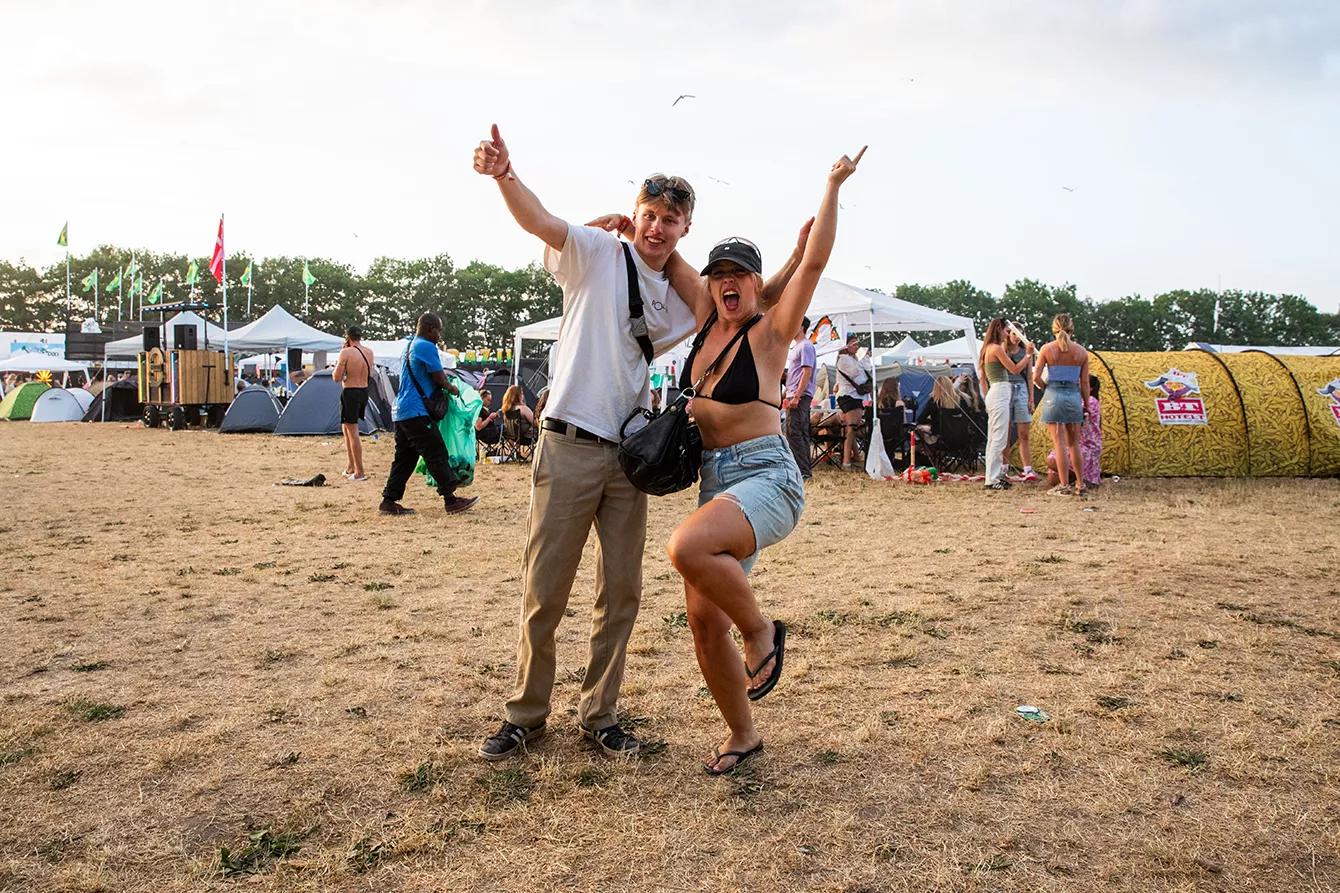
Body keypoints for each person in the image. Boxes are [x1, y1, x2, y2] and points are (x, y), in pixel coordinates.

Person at [472, 124, 810, 763]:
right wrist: (504, 175)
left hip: (629, 455)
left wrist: (792, 256)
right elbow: (540, 221)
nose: (656, 227)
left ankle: (600, 716)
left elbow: (754, 302)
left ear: (685, 229)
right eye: (649, 215)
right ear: (636, 213)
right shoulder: (597, 250)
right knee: (546, 588)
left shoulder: (688, 302)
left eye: (670, 220)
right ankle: (525, 715)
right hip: (568, 439)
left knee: (621, 594)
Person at [664, 147, 863, 775]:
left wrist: (831, 187)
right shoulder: (705, 322)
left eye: (740, 275)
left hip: (767, 475)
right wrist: (624, 225)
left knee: (686, 548)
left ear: (758, 285)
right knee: (702, 620)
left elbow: (817, 261)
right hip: (715, 482)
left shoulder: (771, 332)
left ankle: (762, 632)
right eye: (719, 274)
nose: (728, 282)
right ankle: (743, 734)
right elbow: (663, 253)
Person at [378, 313, 480, 516]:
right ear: (431, 328)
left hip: (401, 411)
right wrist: (453, 388)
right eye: (438, 331)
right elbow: (439, 378)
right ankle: (450, 499)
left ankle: (389, 500)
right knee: (436, 451)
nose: (439, 336)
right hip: (417, 411)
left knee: (405, 457)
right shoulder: (426, 346)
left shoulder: (409, 346)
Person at [1032, 313, 1091, 495]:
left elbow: (1035, 377)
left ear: (1054, 329)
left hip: (1053, 396)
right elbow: (1085, 383)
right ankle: (1080, 484)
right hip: (1073, 396)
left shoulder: (1047, 349)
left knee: (1060, 444)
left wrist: (1046, 388)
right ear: (1072, 330)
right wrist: (1086, 405)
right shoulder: (1081, 352)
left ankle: (1064, 485)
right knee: (1074, 444)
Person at [977, 318, 1034, 491]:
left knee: (995, 437)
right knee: (999, 438)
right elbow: (1014, 370)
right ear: (999, 330)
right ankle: (993, 479)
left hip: (995, 391)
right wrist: (1028, 355)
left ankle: (992, 477)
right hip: (1000, 390)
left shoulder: (987, 348)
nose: (1007, 334)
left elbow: (982, 378)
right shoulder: (996, 348)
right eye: (1006, 331)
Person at [333, 325, 375, 481]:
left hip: (350, 391)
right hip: (364, 390)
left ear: (347, 337)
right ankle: (351, 466)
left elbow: (336, 377)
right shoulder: (369, 352)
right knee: (346, 428)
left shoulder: (346, 353)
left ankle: (359, 471)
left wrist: (340, 360)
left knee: (352, 432)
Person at [1047, 374, 1102, 488]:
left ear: (1090, 388)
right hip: (1072, 444)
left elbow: (1075, 418)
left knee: (1051, 460)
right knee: (1052, 480)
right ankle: (1078, 478)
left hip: (1087, 445)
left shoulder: (1091, 401)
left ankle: (1079, 478)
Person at [1002, 322, 1037, 481]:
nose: (1017, 337)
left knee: (1024, 433)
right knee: (1006, 433)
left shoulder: (1026, 352)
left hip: (1021, 389)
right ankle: (1004, 467)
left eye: (1020, 334)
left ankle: (1027, 468)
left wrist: (1031, 398)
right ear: (1008, 334)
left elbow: (1029, 376)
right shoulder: (1003, 350)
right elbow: (1012, 369)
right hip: (1006, 387)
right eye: (1014, 334)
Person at [784, 316, 817, 480]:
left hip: (800, 396)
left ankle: (802, 470)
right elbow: (797, 373)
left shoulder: (805, 346)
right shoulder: (798, 347)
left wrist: (796, 395)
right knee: (799, 432)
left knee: (794, 432)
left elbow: (806, 372)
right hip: (796, 394)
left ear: (801, 327)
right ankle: (803, 469)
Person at [834, 333, 871, 470]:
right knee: (852, 429)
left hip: (851, 396)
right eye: (853, 344)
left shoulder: (850, 359)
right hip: (850, 396)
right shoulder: (844, 359)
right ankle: (847, 462)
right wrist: (865, 358)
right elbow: (855, 373)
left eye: (857, 344)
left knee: (851, 428)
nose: (856, 346)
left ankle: (854, 457)